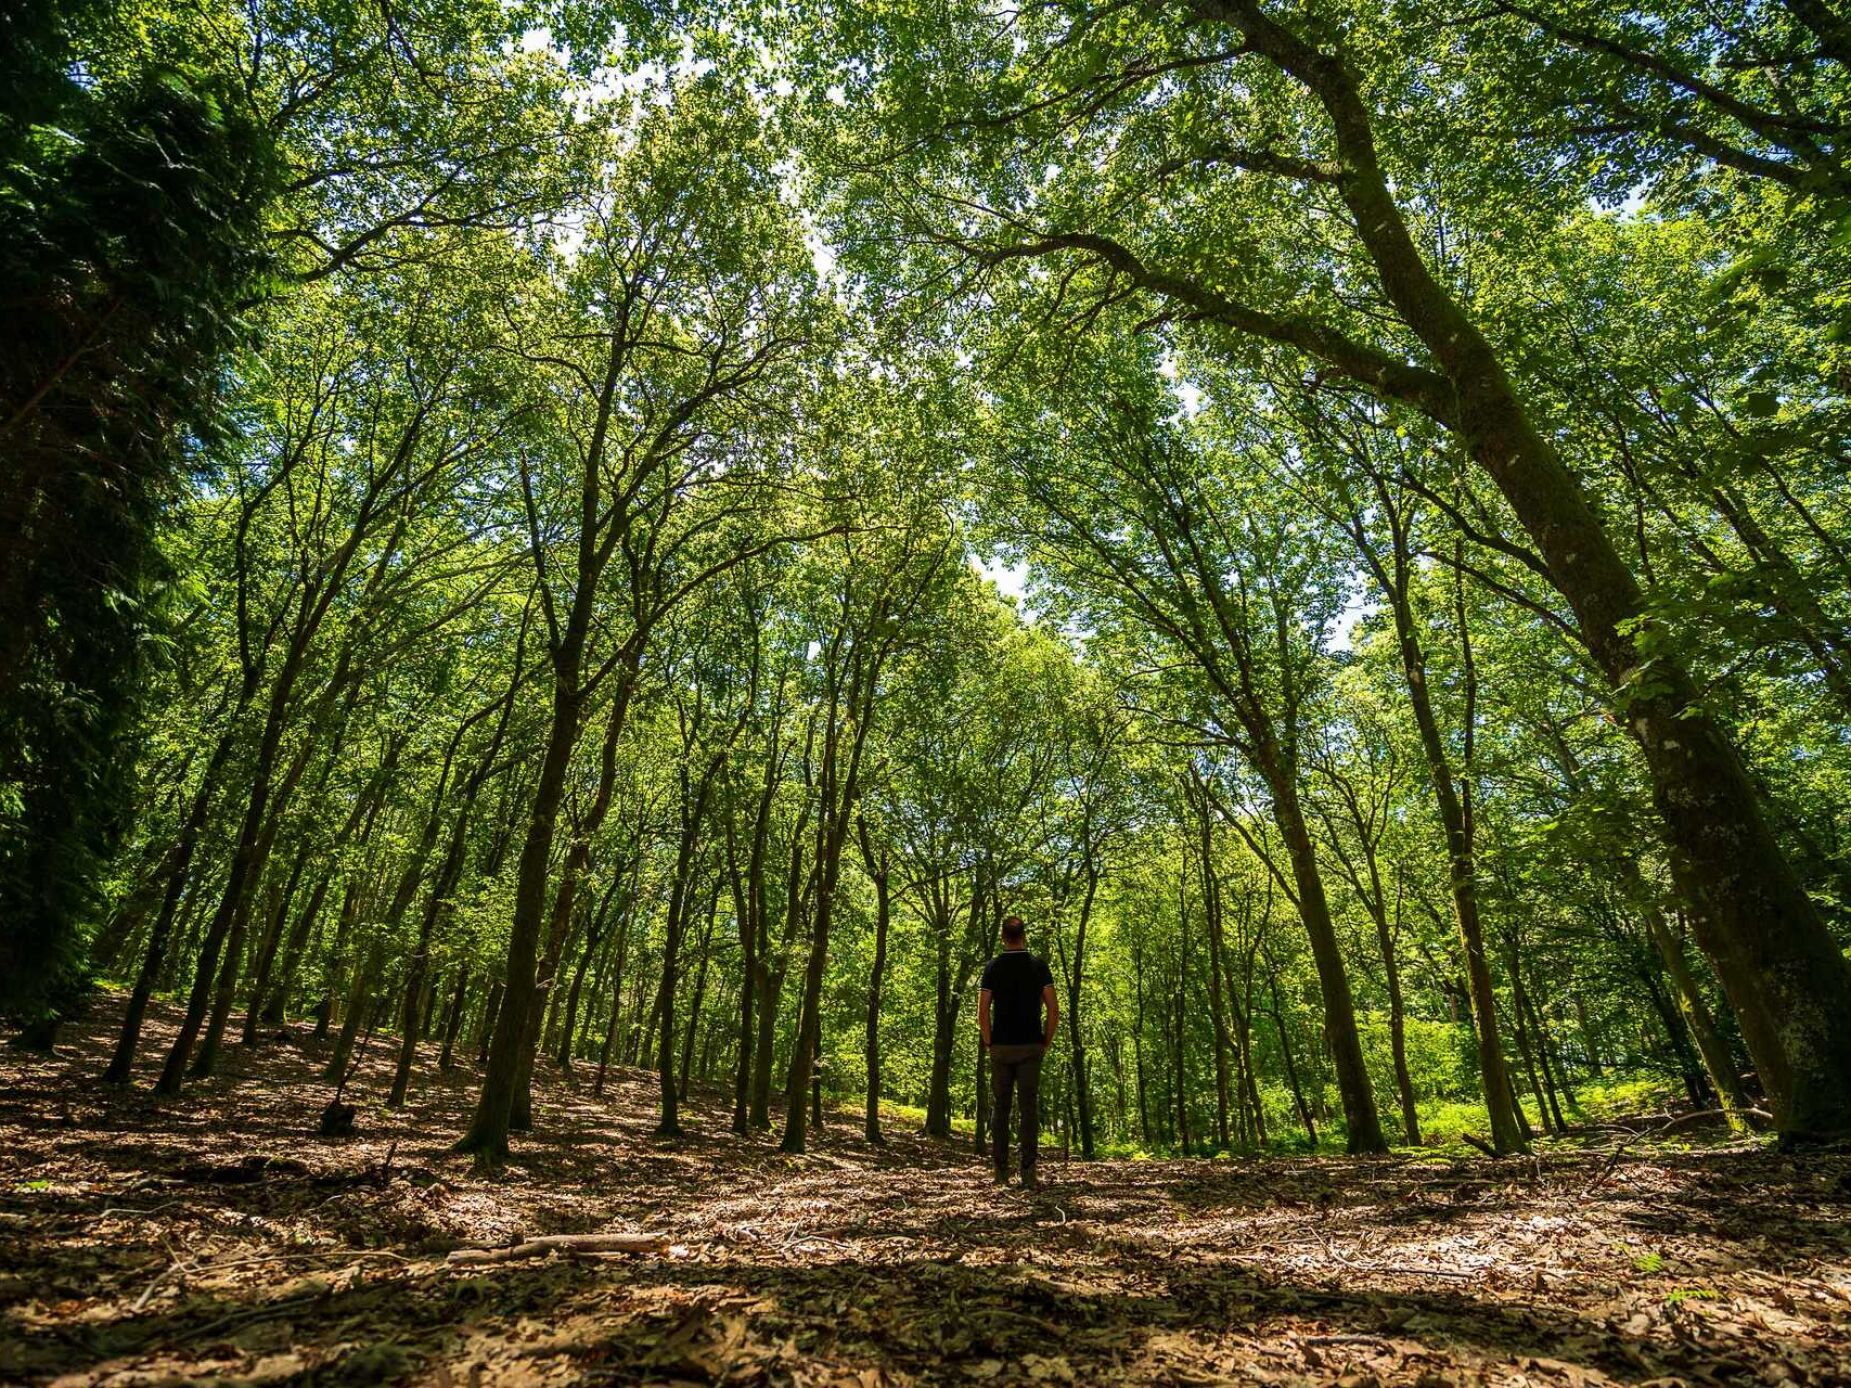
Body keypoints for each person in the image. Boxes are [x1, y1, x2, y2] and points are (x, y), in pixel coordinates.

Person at [978, 915, 1059, 1189]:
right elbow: (1053, 1009)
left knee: (1000, 1108)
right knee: (1028, 1108)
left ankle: (1000, 1170)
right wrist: (1045, 1040)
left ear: (1003, 937)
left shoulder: (993, 968)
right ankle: (1028, 1170)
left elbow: (982, 1010)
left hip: (1001, 1047)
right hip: (1029, 1046)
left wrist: (989, 1041)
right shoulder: (1038, 967)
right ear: (1024, 935)